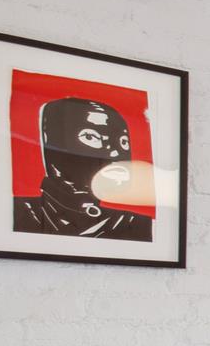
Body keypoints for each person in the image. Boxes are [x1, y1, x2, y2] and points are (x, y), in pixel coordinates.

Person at [12, 96, 153, 241]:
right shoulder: (19, 213)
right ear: (52, 145)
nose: (115, 153)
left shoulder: (136, 225)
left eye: (123, 141)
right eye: (92, 137)